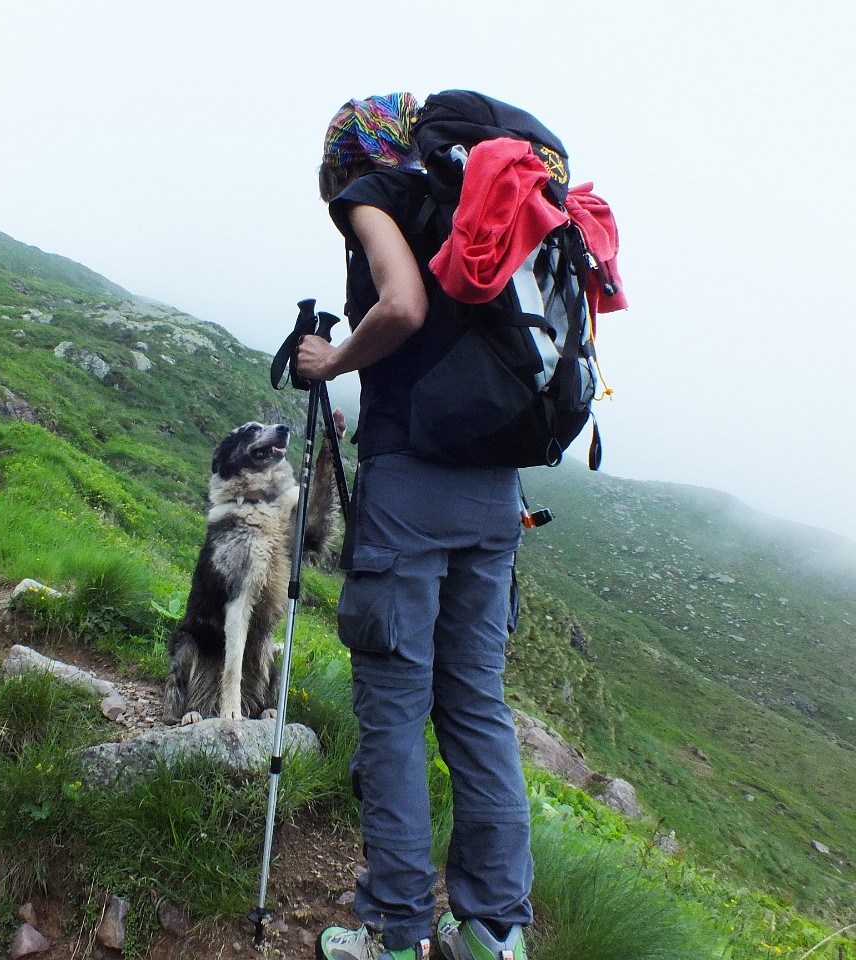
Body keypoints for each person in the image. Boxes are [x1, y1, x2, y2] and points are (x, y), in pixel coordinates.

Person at [297, 93, 533, 960]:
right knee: (476, 706)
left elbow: (403, 310)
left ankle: (394, 934)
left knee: (394, 715)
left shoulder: (377, 191)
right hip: (493, 491)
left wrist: (336, 358)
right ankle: (493, 932)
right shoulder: (473, 199)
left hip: (412, 494)